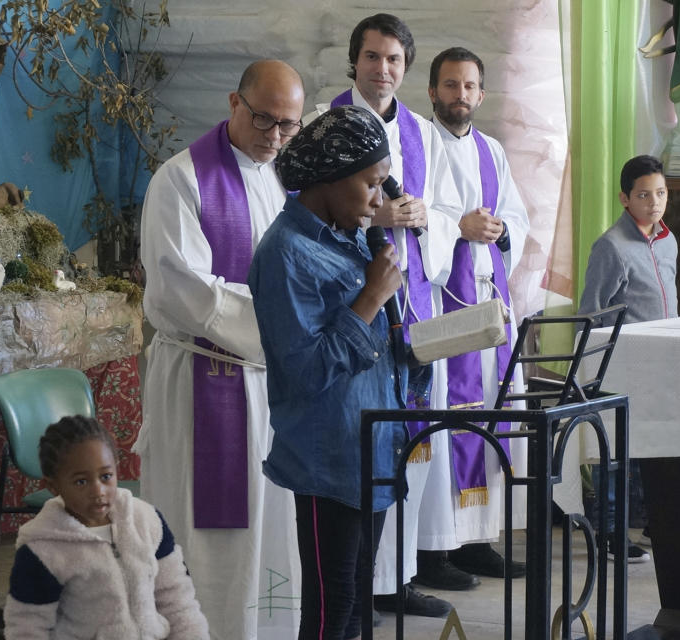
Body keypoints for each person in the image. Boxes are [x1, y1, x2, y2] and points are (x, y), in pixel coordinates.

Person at [134, 59, 305, 639]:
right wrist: (286, 326)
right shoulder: (181, 180)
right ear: (234, 102)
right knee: (200, 536)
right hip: (202, 385)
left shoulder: (286, 180)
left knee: (270, 524)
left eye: (289, 126)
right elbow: (184, 289)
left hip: (269, 388)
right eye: (263, 119)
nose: (274, 137)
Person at [314, 13, 471, 616]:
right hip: (355, 294)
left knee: (411, 445)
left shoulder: (422, 134)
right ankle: (355, 588)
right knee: (365, 436)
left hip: (414, 297)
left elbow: (446, 209)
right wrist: (376, 218)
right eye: (373, 57)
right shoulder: (325, 124)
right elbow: (307, 205)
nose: (383, 69)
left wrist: (422, 218)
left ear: (407, 69)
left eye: (394, 60)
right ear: (354, 62)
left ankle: (397, 576)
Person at [248, 105, 412, 640]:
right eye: (371, 184)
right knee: (331, 609)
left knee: (360, 603)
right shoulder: (284, 254)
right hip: (328, 461)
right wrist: (369, 298)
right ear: (329, 179)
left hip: (372, 447)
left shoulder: (352, 239)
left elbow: (377, 350)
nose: (380, 201)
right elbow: (305, 371)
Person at [413, 46, 531, 585]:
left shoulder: (492, 150)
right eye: (450, 85)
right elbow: (417, 216)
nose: (460, 95)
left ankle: (480, 537)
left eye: (469, 87)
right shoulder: (418, 143)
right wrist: (456, 227)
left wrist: (501, 230)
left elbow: (515, 215)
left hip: (489, 302)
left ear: (481, 94)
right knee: (448, 417)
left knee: (492, 415)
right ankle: (436, 548)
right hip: (445, 304)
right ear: (433, 90)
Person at [3, 415, 209, 639]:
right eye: (81, 481)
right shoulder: (41, 551)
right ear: (53, 486)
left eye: (106, 476)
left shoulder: (147, 521)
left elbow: (178, 601)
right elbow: (26, 629)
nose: (98, 491)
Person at [576, 154, 678, 563]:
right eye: (643, 195)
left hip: (663, 361)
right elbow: (592, 312)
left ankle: (658, 522)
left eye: (660, 193)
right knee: (613, 452)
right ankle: (610, 532)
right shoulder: (611, 246)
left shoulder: (668, 240)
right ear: (624, 198)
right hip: (622, 365)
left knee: (656, 445)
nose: (654, 203)